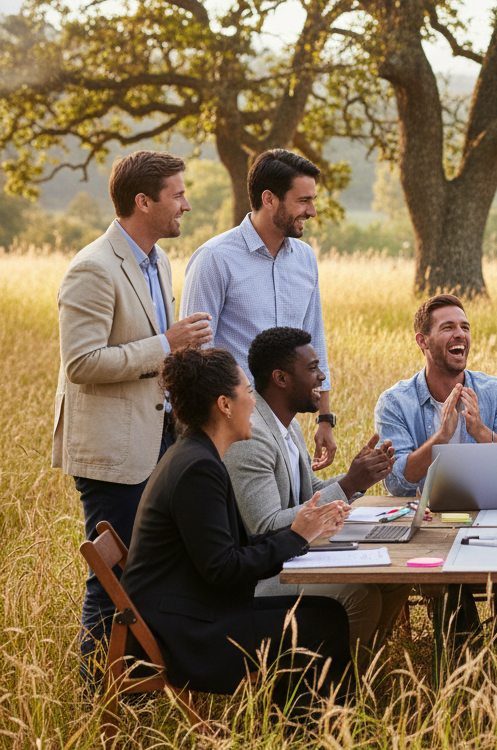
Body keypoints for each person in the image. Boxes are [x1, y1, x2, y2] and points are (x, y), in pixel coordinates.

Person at [53, 150, 214, 680]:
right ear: (143, 202)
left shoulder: (158, 260)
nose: (186, 205)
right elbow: (81, 363)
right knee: (114, 583)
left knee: (152, 574)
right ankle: (93, 706)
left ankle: (138, 695)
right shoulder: (92, 268)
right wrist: (165, 345)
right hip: (114, 454)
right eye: (178, 195)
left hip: (160, 440)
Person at [120, 346, 351, 702]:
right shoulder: (198, 468)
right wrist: (295, 536)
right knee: (321, 623)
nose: (254, 404)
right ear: (224, 405)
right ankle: (311, 732)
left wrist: (302, 533)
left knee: (327, 611)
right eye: (247, 393)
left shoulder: (199, 454)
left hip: (192, 610)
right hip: (185, 629)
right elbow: (223, 568)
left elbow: (230, 554)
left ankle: (299, 725)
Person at [224, 326, 409, 654]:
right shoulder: (253, 439)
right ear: (281, 379)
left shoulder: (289, 425)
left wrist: (356, 481)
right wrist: (349, 483)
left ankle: (364, 671)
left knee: (392, 580)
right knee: (360, 595)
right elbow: (265, 527)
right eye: (312, 368)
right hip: (260, 577)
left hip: (292, 558)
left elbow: (309, 492)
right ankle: (334, 688)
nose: (321, 377)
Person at [374, 294, 497, 643]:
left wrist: (480, 431)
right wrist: (441, 439)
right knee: (446, 579)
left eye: (465, 327)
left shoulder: (496, 391)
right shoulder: (395, 401)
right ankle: (462, 664)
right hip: (429, 527)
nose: (460, 334)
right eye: (448, 327)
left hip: (490, 520)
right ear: (423, 341)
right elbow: (398, 481)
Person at [179, 149, 340, 471]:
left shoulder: (306, 258)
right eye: (303, 200)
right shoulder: (215, 258)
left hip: (285, 423)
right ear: (269, 199)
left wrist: (324, 417)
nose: (312, 211)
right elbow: (196, 352)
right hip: (230, 427)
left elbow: (314, 339)